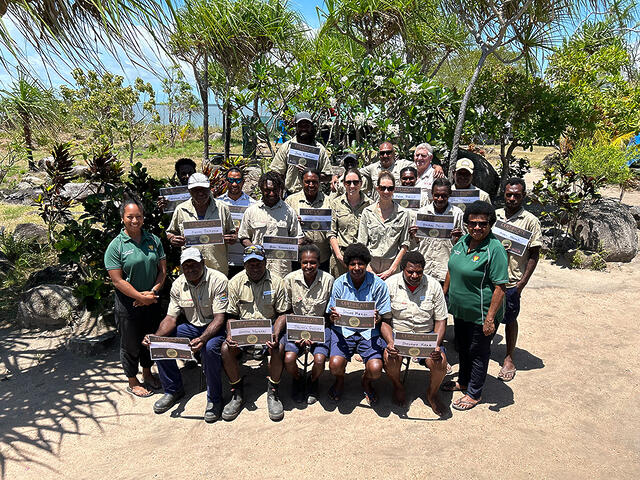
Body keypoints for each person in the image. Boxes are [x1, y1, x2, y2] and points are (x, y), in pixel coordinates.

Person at [143, 248, 227, 422]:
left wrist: (203, 339)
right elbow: (170, 318)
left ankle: (215, 399)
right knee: (161, 343)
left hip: (215, 328)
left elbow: (220, 318)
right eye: (186, 266)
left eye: (194, 264)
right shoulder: (178, 284)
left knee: (209, 349)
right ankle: (173, 390)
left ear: (203, 263)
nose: (190, 269)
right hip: (192, 327)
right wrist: (155, 337)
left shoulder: (218, 280)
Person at [443, 200, 508, 411]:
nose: (477, 228)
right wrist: (443, 297)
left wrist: (490, 318)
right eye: (473, 223)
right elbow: (451, 269)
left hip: (482, 314)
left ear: (490, 225)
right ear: (466, 224)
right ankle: (463, 381)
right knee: (462, 348)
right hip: (460, 311)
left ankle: (474, 393)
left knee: (478, 353)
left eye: (483, 224)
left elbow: (500, 287)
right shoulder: (462, 242)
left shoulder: (494, 249)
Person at [104, 196, 166, 398]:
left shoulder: (153, 240)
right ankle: (132, 380)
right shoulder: (116, 246)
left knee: (149, 339)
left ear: (143, 217)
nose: (134, 220)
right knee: (130, 344)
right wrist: (140, 296)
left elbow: (162, 271)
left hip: (151, 300)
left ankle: (148, 373)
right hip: (128, 304)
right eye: (130, 216)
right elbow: (117, 280)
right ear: (122, 218)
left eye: (138, 216)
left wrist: (153, 292)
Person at [222, 245, 288, 421]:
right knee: (225, 349)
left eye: (258, 263)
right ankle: (236, 392)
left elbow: (283, 313)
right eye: (250, 264)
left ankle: (273, 391)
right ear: (244, 265)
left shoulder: (277, 282)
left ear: (265, 262)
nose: (255, 267)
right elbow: (231, 315)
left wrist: (275, 332)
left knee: (279, 347)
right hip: (243, 330)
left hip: (269, 329)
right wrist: (230, 335)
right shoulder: (234, 283)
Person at [381, 251, 449, 414]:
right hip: (399, 337)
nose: (414, 275)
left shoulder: (433, 286)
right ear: (402, 269)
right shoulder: (390, 284)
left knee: (440, 363)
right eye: (410, 271)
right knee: (390, 357)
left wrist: (436, 345)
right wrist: (390, 342)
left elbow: (441, 320)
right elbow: (385, 321)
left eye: (419, 272)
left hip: (426, 338)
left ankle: (432, 394)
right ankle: (398, 386)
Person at [326, 243, 392, 405]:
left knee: (376, 369)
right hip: (343, 331)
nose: (356, 267)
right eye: (352, 264)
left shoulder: (379, 285)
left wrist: (378, 319)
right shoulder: (339, 283)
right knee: (334, 365)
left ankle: (366, 381)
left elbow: (385, 318)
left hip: (369, 333)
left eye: (360, 263)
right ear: (347, 265)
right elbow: (330, 317)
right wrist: (333, 317)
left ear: (366, 264)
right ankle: (340, 380)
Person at [495, 177, 542, 382]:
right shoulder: (494, 215)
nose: (512, 198)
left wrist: (522, 283)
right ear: (504, 194)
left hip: (512, 280)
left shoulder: (530, 221)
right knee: (489, 316)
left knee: (510, 319)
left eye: (516, 195)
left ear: (523, 196)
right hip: (491, 278)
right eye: (509, 194)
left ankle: (509, 357)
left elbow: (534, 254)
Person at [281, 244, 334, 404]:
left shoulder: (328, 280)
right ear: (300, 262)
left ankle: (312, 380)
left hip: (320, 328)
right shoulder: (290, 279)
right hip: (295, 328)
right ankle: (298, 379)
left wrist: (314, 335)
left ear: (319, 262)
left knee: (319, 360)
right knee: (289, 359)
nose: (308, 266)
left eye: (312, 262)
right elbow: (287, 310)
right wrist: (297, 334)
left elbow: (328, 314)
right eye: (305, 262)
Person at [166, 173, 236, 277]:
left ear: (209, 189)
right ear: (189, 191)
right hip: (190, 270)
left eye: (203, 189)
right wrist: (172, 238)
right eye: (196, 190)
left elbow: (232, 232)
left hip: (217, 268)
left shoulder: (222, 208)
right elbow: (170, 232)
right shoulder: (181, 209)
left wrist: (232, 238)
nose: (200, 193)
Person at [238, 171, 303, 278]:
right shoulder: (251, 211)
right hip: (257, 267)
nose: (271, 193)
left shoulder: (289, 212)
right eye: (267, 190)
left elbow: (299, 238)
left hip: (282, 268)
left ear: (280, 189)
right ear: (261, 189)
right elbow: (243, 236)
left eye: (275, 190)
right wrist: (255, 249)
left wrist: (289, 247)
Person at [409, 178, 464, 285]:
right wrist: (414, 236)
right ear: (431, 194)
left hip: (445, 270)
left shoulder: (457, 214)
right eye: (436, 195)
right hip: (425, 269)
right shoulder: (422, 213)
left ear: (450, 195)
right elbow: (416, 243)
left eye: (444, 196)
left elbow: (462, 246)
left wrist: (458, 239)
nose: (439, 199)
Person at [357, 171, 411, 280]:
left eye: (390, 188)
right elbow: (361, 244)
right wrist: (368, 268)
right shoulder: (367, 212)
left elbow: (404, 245)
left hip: (392, 266)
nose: (386, 192)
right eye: (383, 188)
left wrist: (391, 270)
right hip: (371, 264)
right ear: (377, 189)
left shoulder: (403, 214)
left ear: (394, 190)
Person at [270, 111, 333, 195]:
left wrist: (312, 173)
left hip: (314, 196)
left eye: (307, 125)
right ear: (296, 127)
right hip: (291, 195)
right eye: (300, 125)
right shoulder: (286, 147)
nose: (304, 128)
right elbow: (277, 173)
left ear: (311, 126)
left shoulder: (319, 149)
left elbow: (328, 176)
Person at [285, 169, 332, 272]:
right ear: (302, 182)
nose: (311, 185)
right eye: (307, 182)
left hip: (323, 257)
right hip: (299, 258)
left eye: (314, 182)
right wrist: (294, 222)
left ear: (319, 182)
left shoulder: (329, 201)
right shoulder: (291, 201)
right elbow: (284, 227)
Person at [328, 168, 372, 277]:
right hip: (341, 256)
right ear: (344, 184)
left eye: (355, 182)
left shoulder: (371, 205)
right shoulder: (335, 204)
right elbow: (331, 233)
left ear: (361, 183)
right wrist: (339, 256)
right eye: (348, 182)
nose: (352, 186)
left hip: (363, 258)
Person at [216, 168, 256, 278]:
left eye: (238, 181)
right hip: (223, 261)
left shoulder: (253, 205)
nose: (234, 184)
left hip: (244, 260)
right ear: (226, 181)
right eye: (231, 180)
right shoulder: (217, 204)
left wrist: (239, 237)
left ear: (243, 182)